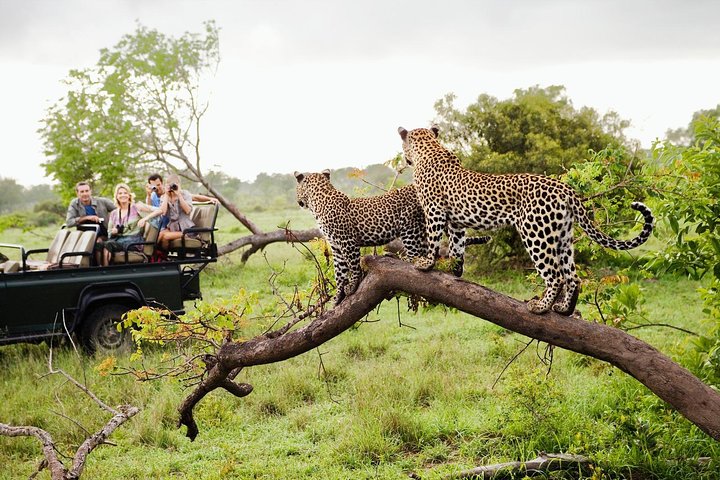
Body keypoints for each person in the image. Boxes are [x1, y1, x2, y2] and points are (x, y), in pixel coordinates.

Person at [102, 183, 162, 266]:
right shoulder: (114, 213)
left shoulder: (136, 207)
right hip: (119, 240)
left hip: (133, 242)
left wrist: (145, 219)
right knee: (100, 245)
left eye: (125, 193)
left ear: (129, 195)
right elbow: (109, 233)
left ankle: (106, 272)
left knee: (109, 245)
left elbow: (159, 210)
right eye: (120, 193)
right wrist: (114, 232)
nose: (123, 195)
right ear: (116, 196)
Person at [156, 175, 198, 251]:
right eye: (170, 185)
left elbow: (188, 210)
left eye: (174, 185)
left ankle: (163, 258)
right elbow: (163, 212)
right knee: (159, 235)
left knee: (165, 236)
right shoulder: (165, 197)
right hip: (173, 228)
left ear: (179, 185)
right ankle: (154, 257)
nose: (172, 188)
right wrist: (166, 195)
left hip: (186, 230)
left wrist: (179, 195)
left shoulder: (185, 194)